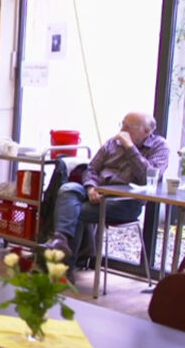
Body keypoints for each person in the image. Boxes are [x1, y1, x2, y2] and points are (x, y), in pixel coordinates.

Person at [44, 112, 169, 261]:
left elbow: (147, 177)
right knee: (67, 189)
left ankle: (63, 266)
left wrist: (130, 147)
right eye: (122, 124)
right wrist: (91, 187)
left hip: (125, 201)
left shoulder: (159, 147)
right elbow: (91, 169)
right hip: (97, 192)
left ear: (147, 132)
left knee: (75, 211)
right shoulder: (112, 143)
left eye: (128, 127)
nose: (122, 130)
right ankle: (60, 241)